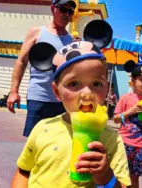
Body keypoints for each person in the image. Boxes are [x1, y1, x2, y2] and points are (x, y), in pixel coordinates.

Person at [11, 41, 132, 187]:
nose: (87, 94)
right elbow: (24, 172)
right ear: (57, 92)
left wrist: (106, 176)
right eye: (74, 84)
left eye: (97, 84)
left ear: (106, 89)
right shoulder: (42, 129)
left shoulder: (112, 140)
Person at [7, 0, 77, 137]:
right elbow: (21, 61)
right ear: (52, 9)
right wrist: (13, 91)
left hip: (62, 101)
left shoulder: (72, 41)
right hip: (38, 97)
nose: (66, 14)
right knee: (34, 143)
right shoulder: (37, 33)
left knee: (57, 144)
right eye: (63, 9)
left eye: (70, 12)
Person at [113, 56, 142, 188]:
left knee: (135, 177)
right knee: (120, 174)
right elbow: (116, 119)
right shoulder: (125, 98)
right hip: (124, 143)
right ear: (133, 81)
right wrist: (131, 111)